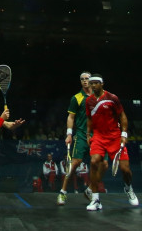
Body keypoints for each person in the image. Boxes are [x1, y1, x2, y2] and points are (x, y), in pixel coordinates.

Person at [84, 73, 139, 211]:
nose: (93, 85)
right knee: (94, 162)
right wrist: (88, 134)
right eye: (92, 83)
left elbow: (122, 115)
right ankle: (95, 199)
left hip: (114, 137)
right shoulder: (89, 101)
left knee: (125, 170)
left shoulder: (112, 98)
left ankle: (128, 188)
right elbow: (89, 119)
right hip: (98, 137)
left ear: (102, 84)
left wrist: (124, 134)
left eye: (96, 82)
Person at [57, 71, 93, 205]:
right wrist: (69, 134)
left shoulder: (99, 96)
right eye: (82, 79)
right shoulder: (76, 98)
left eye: (87, 78)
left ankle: (90, 191)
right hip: (82, 135)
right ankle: (63, 192)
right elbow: (71, 117)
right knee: (75, 163)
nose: (85, 81)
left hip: (97, 136)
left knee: (100, 164)